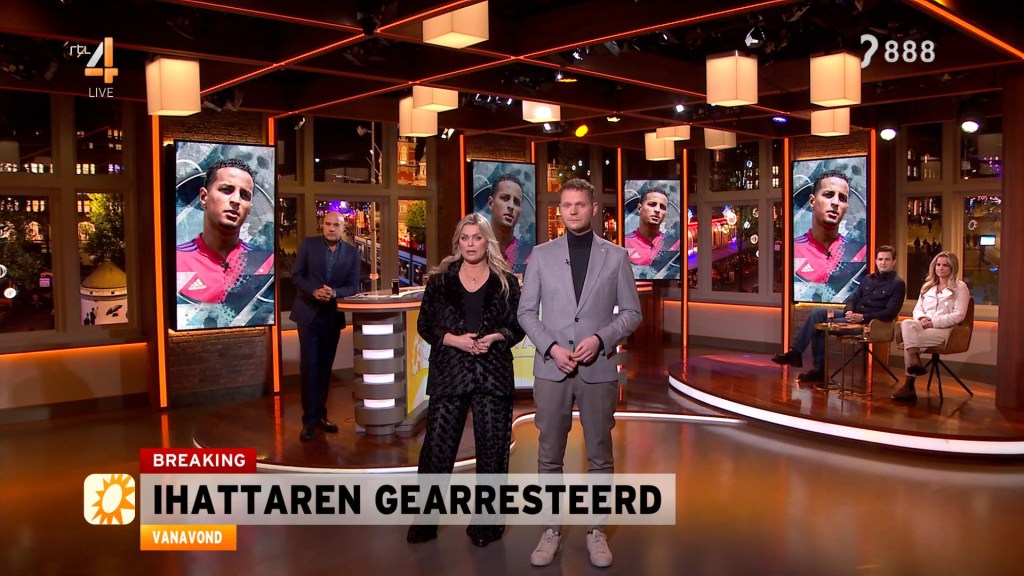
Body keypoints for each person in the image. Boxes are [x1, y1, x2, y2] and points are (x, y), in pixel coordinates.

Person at [517, 178, 642, 568]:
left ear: (594, 209)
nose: (572, 211)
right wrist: (551, 347)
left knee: (600, 455)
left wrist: (601, 339)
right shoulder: (541, 255)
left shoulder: (616, 257)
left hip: (597, 369)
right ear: (560, 210)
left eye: (580, 204)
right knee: (549, 455)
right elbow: (525, 312)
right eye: (566, 205)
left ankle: (596, 531)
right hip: (551, 368)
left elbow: (632, 313)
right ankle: (551, 531)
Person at [406, 213, 524, 547]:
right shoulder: (440, 281)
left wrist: (497, 337)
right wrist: (454, 340)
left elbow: (518, 326)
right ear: (458, 242)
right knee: (437, 449)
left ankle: (487, 526)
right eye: (465, 238)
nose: (471, 244)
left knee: (493, 452)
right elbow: (425, 325)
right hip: (450, 372)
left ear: (488, 241)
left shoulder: (506, 282)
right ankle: (425, 521)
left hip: (492, 372)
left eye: (477, 237)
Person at [773, 245, 906, 384]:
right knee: (817, 313)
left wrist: (862, 317)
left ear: (894, 262)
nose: (883, 263)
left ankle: (819, 370)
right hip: (854, 316)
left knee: (822, 327)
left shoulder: (898, 284)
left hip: (870, 324)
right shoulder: (868, 279)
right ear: (875, 261)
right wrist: (849, 310)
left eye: (887, 259)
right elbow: (852, 299)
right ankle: (796, 352)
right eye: (880, 259)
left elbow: (890, 313)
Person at [290, 211, 360, 442]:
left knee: (324, 369)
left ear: (343, 228)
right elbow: (297, 276)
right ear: (322, 225)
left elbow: (353, 286)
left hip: (331, 317)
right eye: (328, 224)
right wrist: (314, 291)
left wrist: (335, 293)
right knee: (309, 368)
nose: (331, 228)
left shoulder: (351, 253)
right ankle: (308, 421)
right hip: (308, 316)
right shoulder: (308, 245)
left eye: (336, 225)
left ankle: (321, 415)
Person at [176, 159, 274, 307]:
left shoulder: (266, 262)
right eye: (227, 190)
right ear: (203, 197)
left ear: (250, 207)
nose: (236, 200)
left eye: (244, 195)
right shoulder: (177, 261)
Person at [891, 251, 971, 403]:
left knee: (910, 341)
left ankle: (909, 385)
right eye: (938, 265)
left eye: (945, 265)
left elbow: (959, 315)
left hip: (945, 330)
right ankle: (915, 360)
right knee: (907, 323)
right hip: (923, 326)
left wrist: (933, 322)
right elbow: (917, 309)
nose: (940, 268)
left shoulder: (960, 287)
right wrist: (921, 318)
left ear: (952, 268)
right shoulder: (928, 287)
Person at [793, 170, 866, 295]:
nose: (835, 203)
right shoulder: (793, 249)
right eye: (828, 195)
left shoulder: (859, 252)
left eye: (842, 198)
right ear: (812, 201)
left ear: (846, 207)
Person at [624, 187, 680, 267]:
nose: (657, 210)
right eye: (652, 204)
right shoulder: (625, 242)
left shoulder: (674, 244)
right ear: (639, 208)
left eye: (662, 207)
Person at [487, 174, 529, 269]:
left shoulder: (528, 255)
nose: (511, 206)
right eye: (505, 198)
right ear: (491, 203)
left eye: (516, 202)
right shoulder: (476, 249)